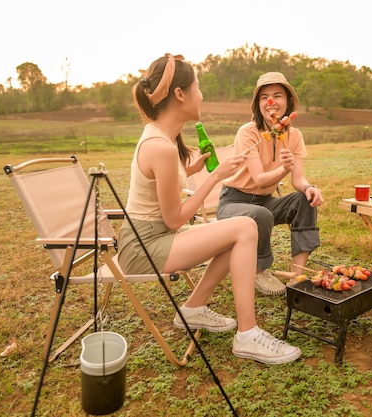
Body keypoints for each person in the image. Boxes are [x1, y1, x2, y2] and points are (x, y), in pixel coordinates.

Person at [116, 54, 301, 364]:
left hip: (153, 237)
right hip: (143, 248)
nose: (201, 95)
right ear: (180, 94)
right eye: (198, 87)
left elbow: (159, 184)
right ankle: (247, 334)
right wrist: (214, 176)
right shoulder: (160, 146)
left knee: (236, 231)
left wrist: (191, 170)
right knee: (244, 227)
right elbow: (174, 219)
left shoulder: (163, 137)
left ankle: (192, 309)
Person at [217, 72, 324, 296]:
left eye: (277, 96)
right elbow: (259, 179)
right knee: (260, 214)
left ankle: (297, 275)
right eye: (264, 97)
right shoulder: (247, 132)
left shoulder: (294, 135)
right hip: (234, 203)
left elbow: (298, 179)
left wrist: (308, 188)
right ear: (258, 104)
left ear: (288, 102)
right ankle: (260, 269)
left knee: (304, 201)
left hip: (265, 202)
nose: (271, 102)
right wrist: (283, 168)